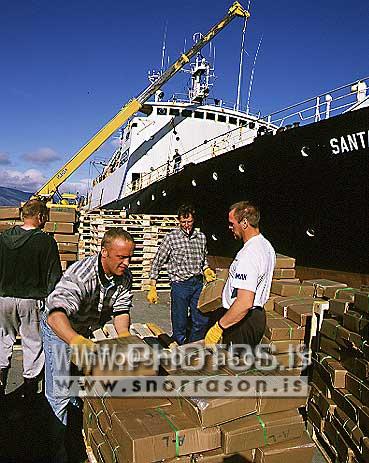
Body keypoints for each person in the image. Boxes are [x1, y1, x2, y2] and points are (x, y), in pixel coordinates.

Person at [41, 227, 135, 462]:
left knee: (79, 382)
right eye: (121, 257)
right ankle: (56, 451)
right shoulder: (82, 275)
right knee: (60, 391)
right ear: (104, 252)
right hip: (60, 329)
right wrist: (75, 341)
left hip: (83, 329)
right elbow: (55, 314)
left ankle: (74, 426)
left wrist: (123, 335)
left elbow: (121, 310)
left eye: (129, 256)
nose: (126, 262)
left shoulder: (124, 276)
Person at [0, 199, 62, 398]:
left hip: (3, 299)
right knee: (33, 343)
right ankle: (29, 391)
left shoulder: (3, 238)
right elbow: (54, 277)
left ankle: (1, 382)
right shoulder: (46, 241)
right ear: (40, 217)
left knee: (3, 341)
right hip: (31, 301)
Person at [205, 201, 276, 350]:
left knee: (234, 368)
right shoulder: (266, 246)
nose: (230, 228)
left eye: (232, 223)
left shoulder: (249, 254)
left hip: (241, 322)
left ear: (244, 223)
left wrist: (219, 326)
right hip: (255, 317)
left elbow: (244, 302)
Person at [147, 204, 216, 345]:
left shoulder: (201, 237)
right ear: (178, 221)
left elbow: (203, 259)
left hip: (197, 284)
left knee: (201, 319)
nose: (186, 225)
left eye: (189, 222)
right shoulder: (171, 238)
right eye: (183, 222)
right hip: (180, 285)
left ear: (193, 220)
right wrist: (152, 286)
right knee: (180, 321)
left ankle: (194, 348)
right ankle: (179, 347)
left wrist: (206, 270)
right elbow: (157, 261)